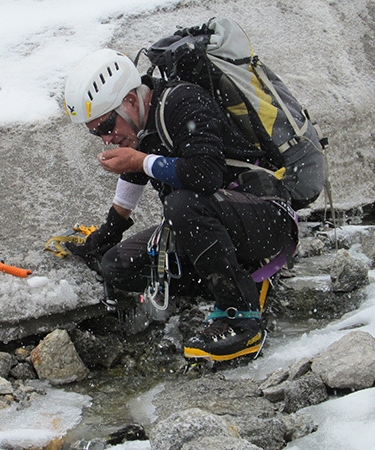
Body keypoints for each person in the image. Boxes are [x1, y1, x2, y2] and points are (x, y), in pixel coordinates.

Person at [62, 49, 299, 361]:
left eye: (106, 126)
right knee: (116, 267)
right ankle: (240, 278)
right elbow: (134, 179)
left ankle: (241, 315)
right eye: (96, 133)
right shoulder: (142, 129)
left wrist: (141, 160)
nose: (106, 139)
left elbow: (205, 175)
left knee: (182, 204)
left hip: (268, 217)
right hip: (217, 224)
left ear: (131, 102)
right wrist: (104, 237)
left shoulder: (182, 101)